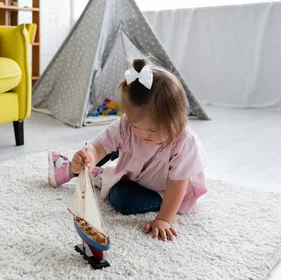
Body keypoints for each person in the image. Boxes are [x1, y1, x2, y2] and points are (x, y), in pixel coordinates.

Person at [48, 59, 208, 241]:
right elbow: (99, 145)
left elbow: (177, 186)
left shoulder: (184, 143)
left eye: (153, 130)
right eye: (135, 125)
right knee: (103, 149)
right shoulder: (126, 127)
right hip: (136, 173)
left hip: (163, 190)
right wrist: (89, 156)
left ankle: (100, 175)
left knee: (124, 201)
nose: (142, 134)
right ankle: (73, 167)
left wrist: (164, 219)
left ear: (176, 120)